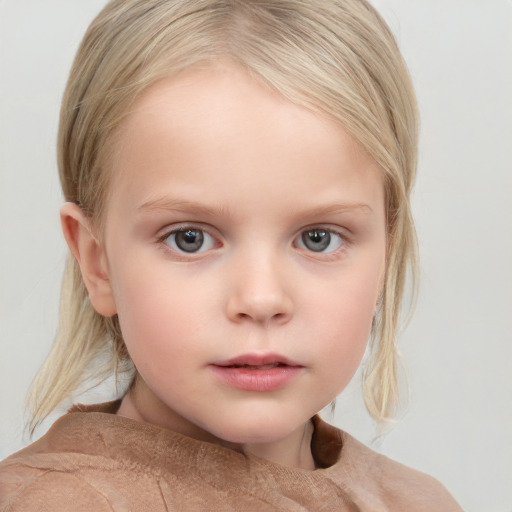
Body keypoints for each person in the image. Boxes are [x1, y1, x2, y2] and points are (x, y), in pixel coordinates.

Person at [0, 0, 464, 510]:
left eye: (318, 238)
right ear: (96, 261)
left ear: (386, 254)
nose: (261, 299)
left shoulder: (419, 502)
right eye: (190, 238)